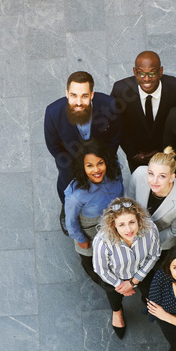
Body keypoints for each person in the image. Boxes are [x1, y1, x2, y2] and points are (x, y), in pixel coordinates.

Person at [44, 71, 122, 232]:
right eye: (73, 95)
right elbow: (53, 145)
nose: (78, 102)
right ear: (66, 93)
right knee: (67, 189)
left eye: (84, 96)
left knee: (110, 185)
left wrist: (103, 161)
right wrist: (72, 166)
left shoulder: (110, 105)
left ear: (92, 95)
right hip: (70, 164)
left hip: (102, 160)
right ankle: (66, 213)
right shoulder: (53, 112)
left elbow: (115, 137)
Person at [91, 197, 161, 339]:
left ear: (138, 219)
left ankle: (148, 299)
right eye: (121, 224)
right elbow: (101, 269)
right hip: (115, 277)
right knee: (113, 296)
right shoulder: (102, 241)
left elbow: (154, 255)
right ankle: (117, 312)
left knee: (151, 289)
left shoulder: (150, 229)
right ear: (113, 224)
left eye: (131, 222)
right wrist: (120, 285)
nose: (128, 229)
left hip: (142, 271)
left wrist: (133, 282)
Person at [110, 51, 176, 173]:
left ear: (160, 71)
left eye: (152, 73)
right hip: (137, 157)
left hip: (168, 155)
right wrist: (133, 154)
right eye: (141, 73)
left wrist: (163, 150)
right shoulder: (120, 90)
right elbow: (117, 124)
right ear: (135, 72)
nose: (146, 79)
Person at [64, 140, 124, 282]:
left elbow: (121, 194)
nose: (96, 170)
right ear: (82, 167)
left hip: (113, 221)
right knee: (90, 261)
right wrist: (81, 239)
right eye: (89, 165)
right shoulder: (76, 195)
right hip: (90, 228)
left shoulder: (114, 174)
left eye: (100, 163)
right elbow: (71, 221)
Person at [132, 146, 176, 251]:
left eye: (162, 176)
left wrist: (147, 243)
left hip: (162, 243)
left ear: (171, 177)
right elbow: (129, 202)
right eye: (151, 174)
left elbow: (175, 231)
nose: (154, 181)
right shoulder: (139, 174)